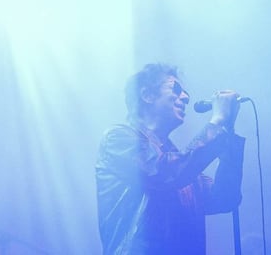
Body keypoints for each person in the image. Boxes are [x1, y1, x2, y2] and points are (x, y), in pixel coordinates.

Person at [95, 63, 245, 255]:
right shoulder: (118, 140)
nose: (185, 98)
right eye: (176, 89)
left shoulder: (179, 159)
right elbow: (166, 173)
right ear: (147, 95)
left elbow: (224, 199)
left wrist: (228, 132)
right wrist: (215, 122)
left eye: (187, 94)